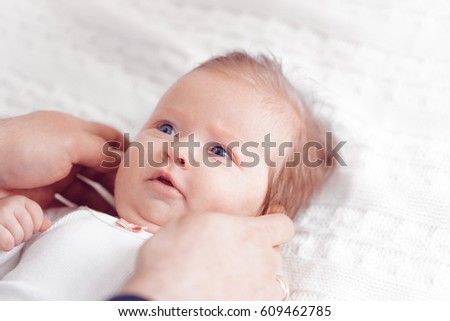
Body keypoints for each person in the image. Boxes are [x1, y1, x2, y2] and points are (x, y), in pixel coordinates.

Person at [0, 52, 331, 300]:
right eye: (167, 128)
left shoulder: (221, 286)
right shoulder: (52, 219)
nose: (178, 150)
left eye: (219, 151)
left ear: (262, 218)